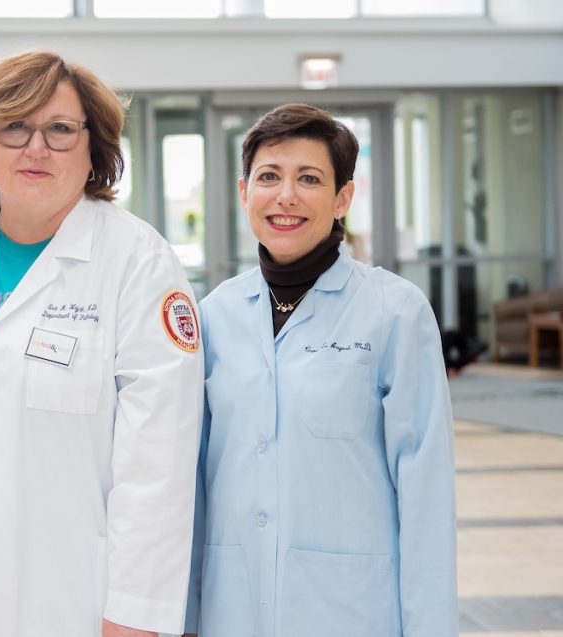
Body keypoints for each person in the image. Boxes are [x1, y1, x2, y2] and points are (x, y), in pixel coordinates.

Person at [0, 50, 204, 637]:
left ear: (95, 148)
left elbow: (158, 468)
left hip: (72, 606)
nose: (35, 148)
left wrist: (134, 618)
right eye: (14, 126)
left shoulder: (139, 263)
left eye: (61, 130)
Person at [185, 104, 457, 637]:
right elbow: (193, 484)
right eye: (269, 177)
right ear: (244, 193)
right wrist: (187, 617)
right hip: (231, 607)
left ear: (342, 199)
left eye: (309, 178)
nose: (285, 195)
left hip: (352, 610)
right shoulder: (214, 314)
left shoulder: (393, 310)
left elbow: (426, 492)